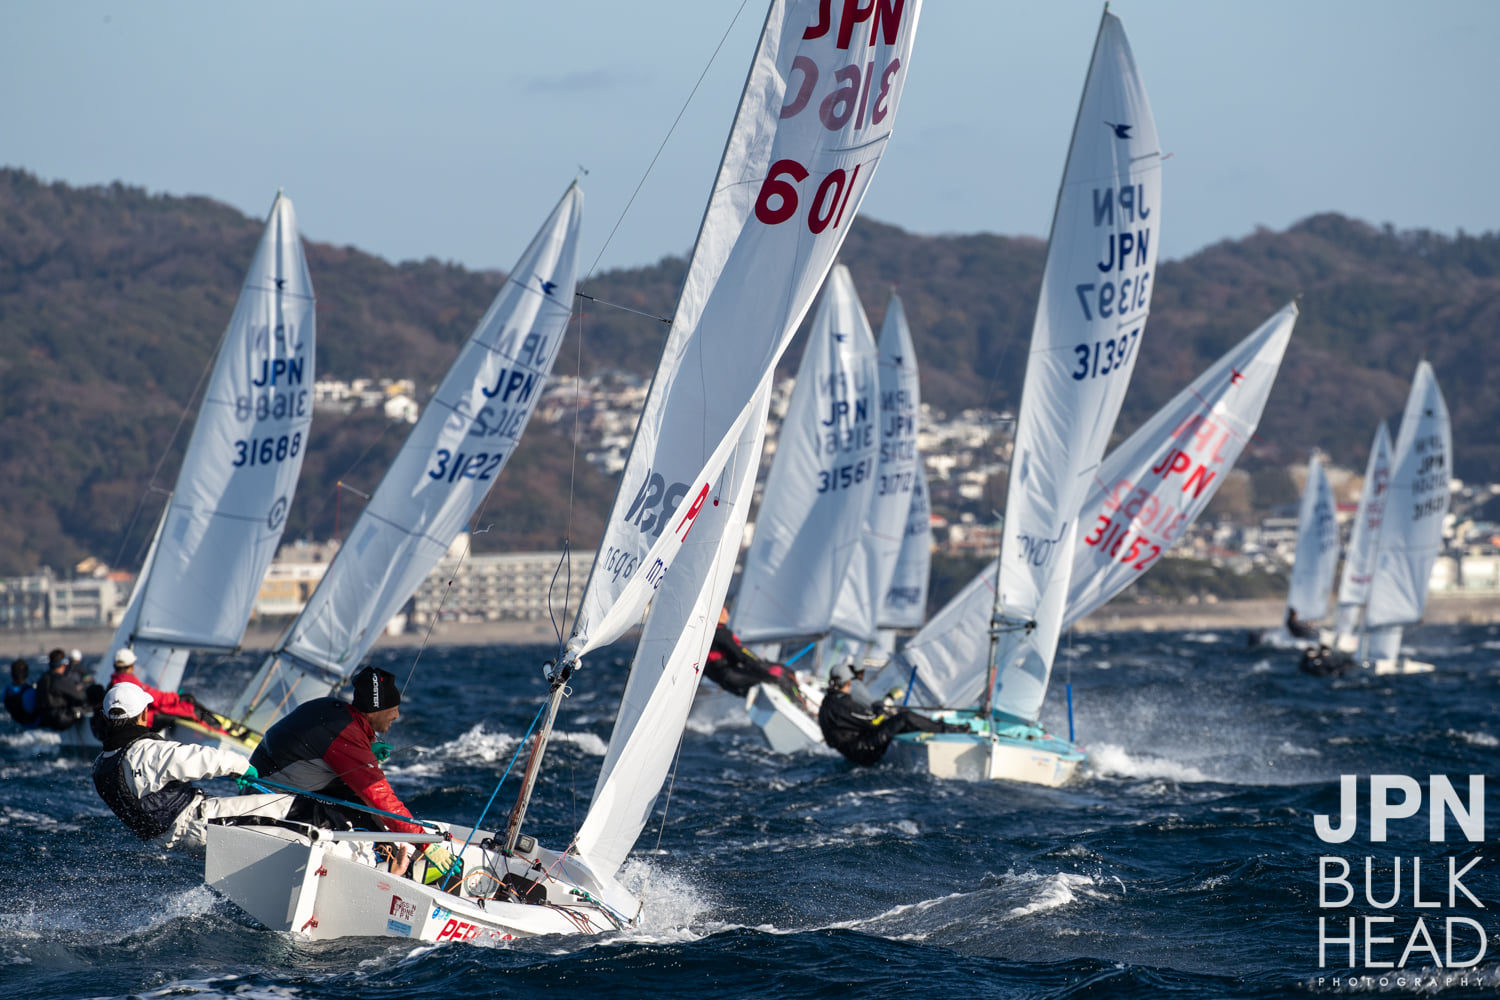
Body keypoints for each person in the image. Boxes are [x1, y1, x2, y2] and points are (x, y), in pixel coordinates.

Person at [249, 665, 426, 873]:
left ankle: (392, 856)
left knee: (364, 810)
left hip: (292, 787)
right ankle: (384, 869)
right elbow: (381, 799)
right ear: (375, 710)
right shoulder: (345, 733)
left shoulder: (335, 711)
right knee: (352, 819)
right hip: (268, 799)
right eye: (392, 708)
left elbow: (316, 745)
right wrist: (425, 841)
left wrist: (366, 749)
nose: (396, 715)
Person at [91, 683, 287, 849]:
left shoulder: (99, 766)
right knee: (290, 806)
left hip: (170, 843)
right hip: (200, 823)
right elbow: (203, 758)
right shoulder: (149, 752)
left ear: (106, 718)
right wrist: (242, 767)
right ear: (144, 714)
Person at [817, 661, 962, 765]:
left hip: (852, 751)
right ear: (847, 683)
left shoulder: (827, 703)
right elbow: (873, 720)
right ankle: (949, 731)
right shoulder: (842, 704)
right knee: (905, 717)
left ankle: (935, 731)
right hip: (864, 750)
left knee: (899, 718)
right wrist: (880, 708)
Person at [705, 607, 803, 703]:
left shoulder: (711, 633)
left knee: (776, 674)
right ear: (720, 616)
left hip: (728, 678)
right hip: (731, 674)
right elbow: (739, 654)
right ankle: (799, 702)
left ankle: (795, 700)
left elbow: (738, 655)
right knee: (780, 675)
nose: (727, 613)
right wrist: (760, 666)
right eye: (724, 611)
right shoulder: (721, 634)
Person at [108, 648, 214, 729]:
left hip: (141, 718)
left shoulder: (114, 683)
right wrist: (178, 698)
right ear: (132, 665)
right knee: (191, 710)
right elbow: (157, 699)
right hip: (148, 718)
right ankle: (219, 730)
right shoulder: (129, 682)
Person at [34, 648, 89, 731]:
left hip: (44, 719)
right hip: (59, 720)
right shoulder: (60, 680)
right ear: (63, 664)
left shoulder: (42, 679)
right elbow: (81, 696)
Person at [4, 658, 40, 728]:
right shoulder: (30, 692)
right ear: (27, 674)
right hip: (34, 727)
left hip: (17, 725)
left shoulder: (6, 691)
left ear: (12, 674)